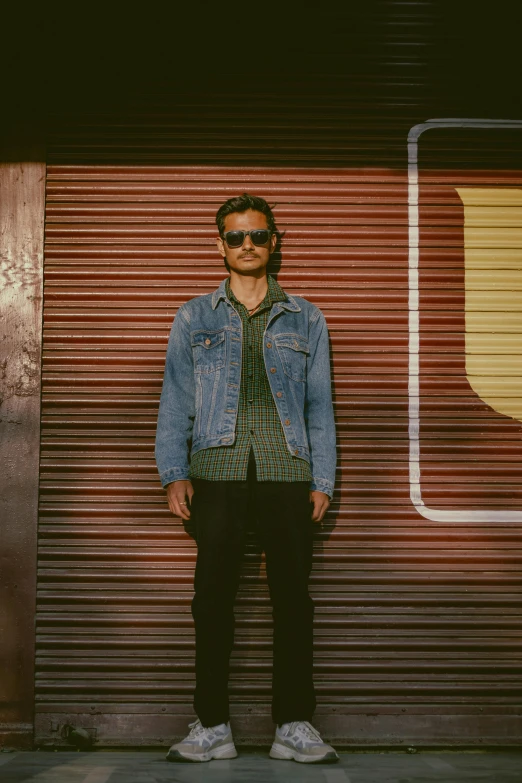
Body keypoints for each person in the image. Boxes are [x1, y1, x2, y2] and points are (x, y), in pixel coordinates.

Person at [155, 193, 338, 764]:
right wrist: (173, 473)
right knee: (210, 600)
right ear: (221, 245)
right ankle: (212, 726)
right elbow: (176, 400)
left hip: (287, 471)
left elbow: (320, 407)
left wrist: (323, 479)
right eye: (236, 237)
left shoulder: (306, 317)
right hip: (218, 470)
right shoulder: (195, 316)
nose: (248, 246)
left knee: (293, 602)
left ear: (274, 241)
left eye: (258, 235)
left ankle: (294, 725)